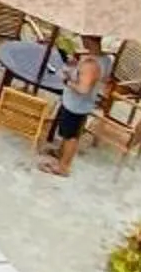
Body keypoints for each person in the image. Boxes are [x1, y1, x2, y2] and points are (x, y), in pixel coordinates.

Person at [41, 42, 106, 176]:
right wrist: (75, 67)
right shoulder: (103, 59)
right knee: (67, 133)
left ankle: (63, 167)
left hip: (77, 105)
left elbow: (83, 88)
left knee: (71, 136)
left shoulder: (91, 65)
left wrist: (68, 81)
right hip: (77, 103)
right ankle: (60, 153)